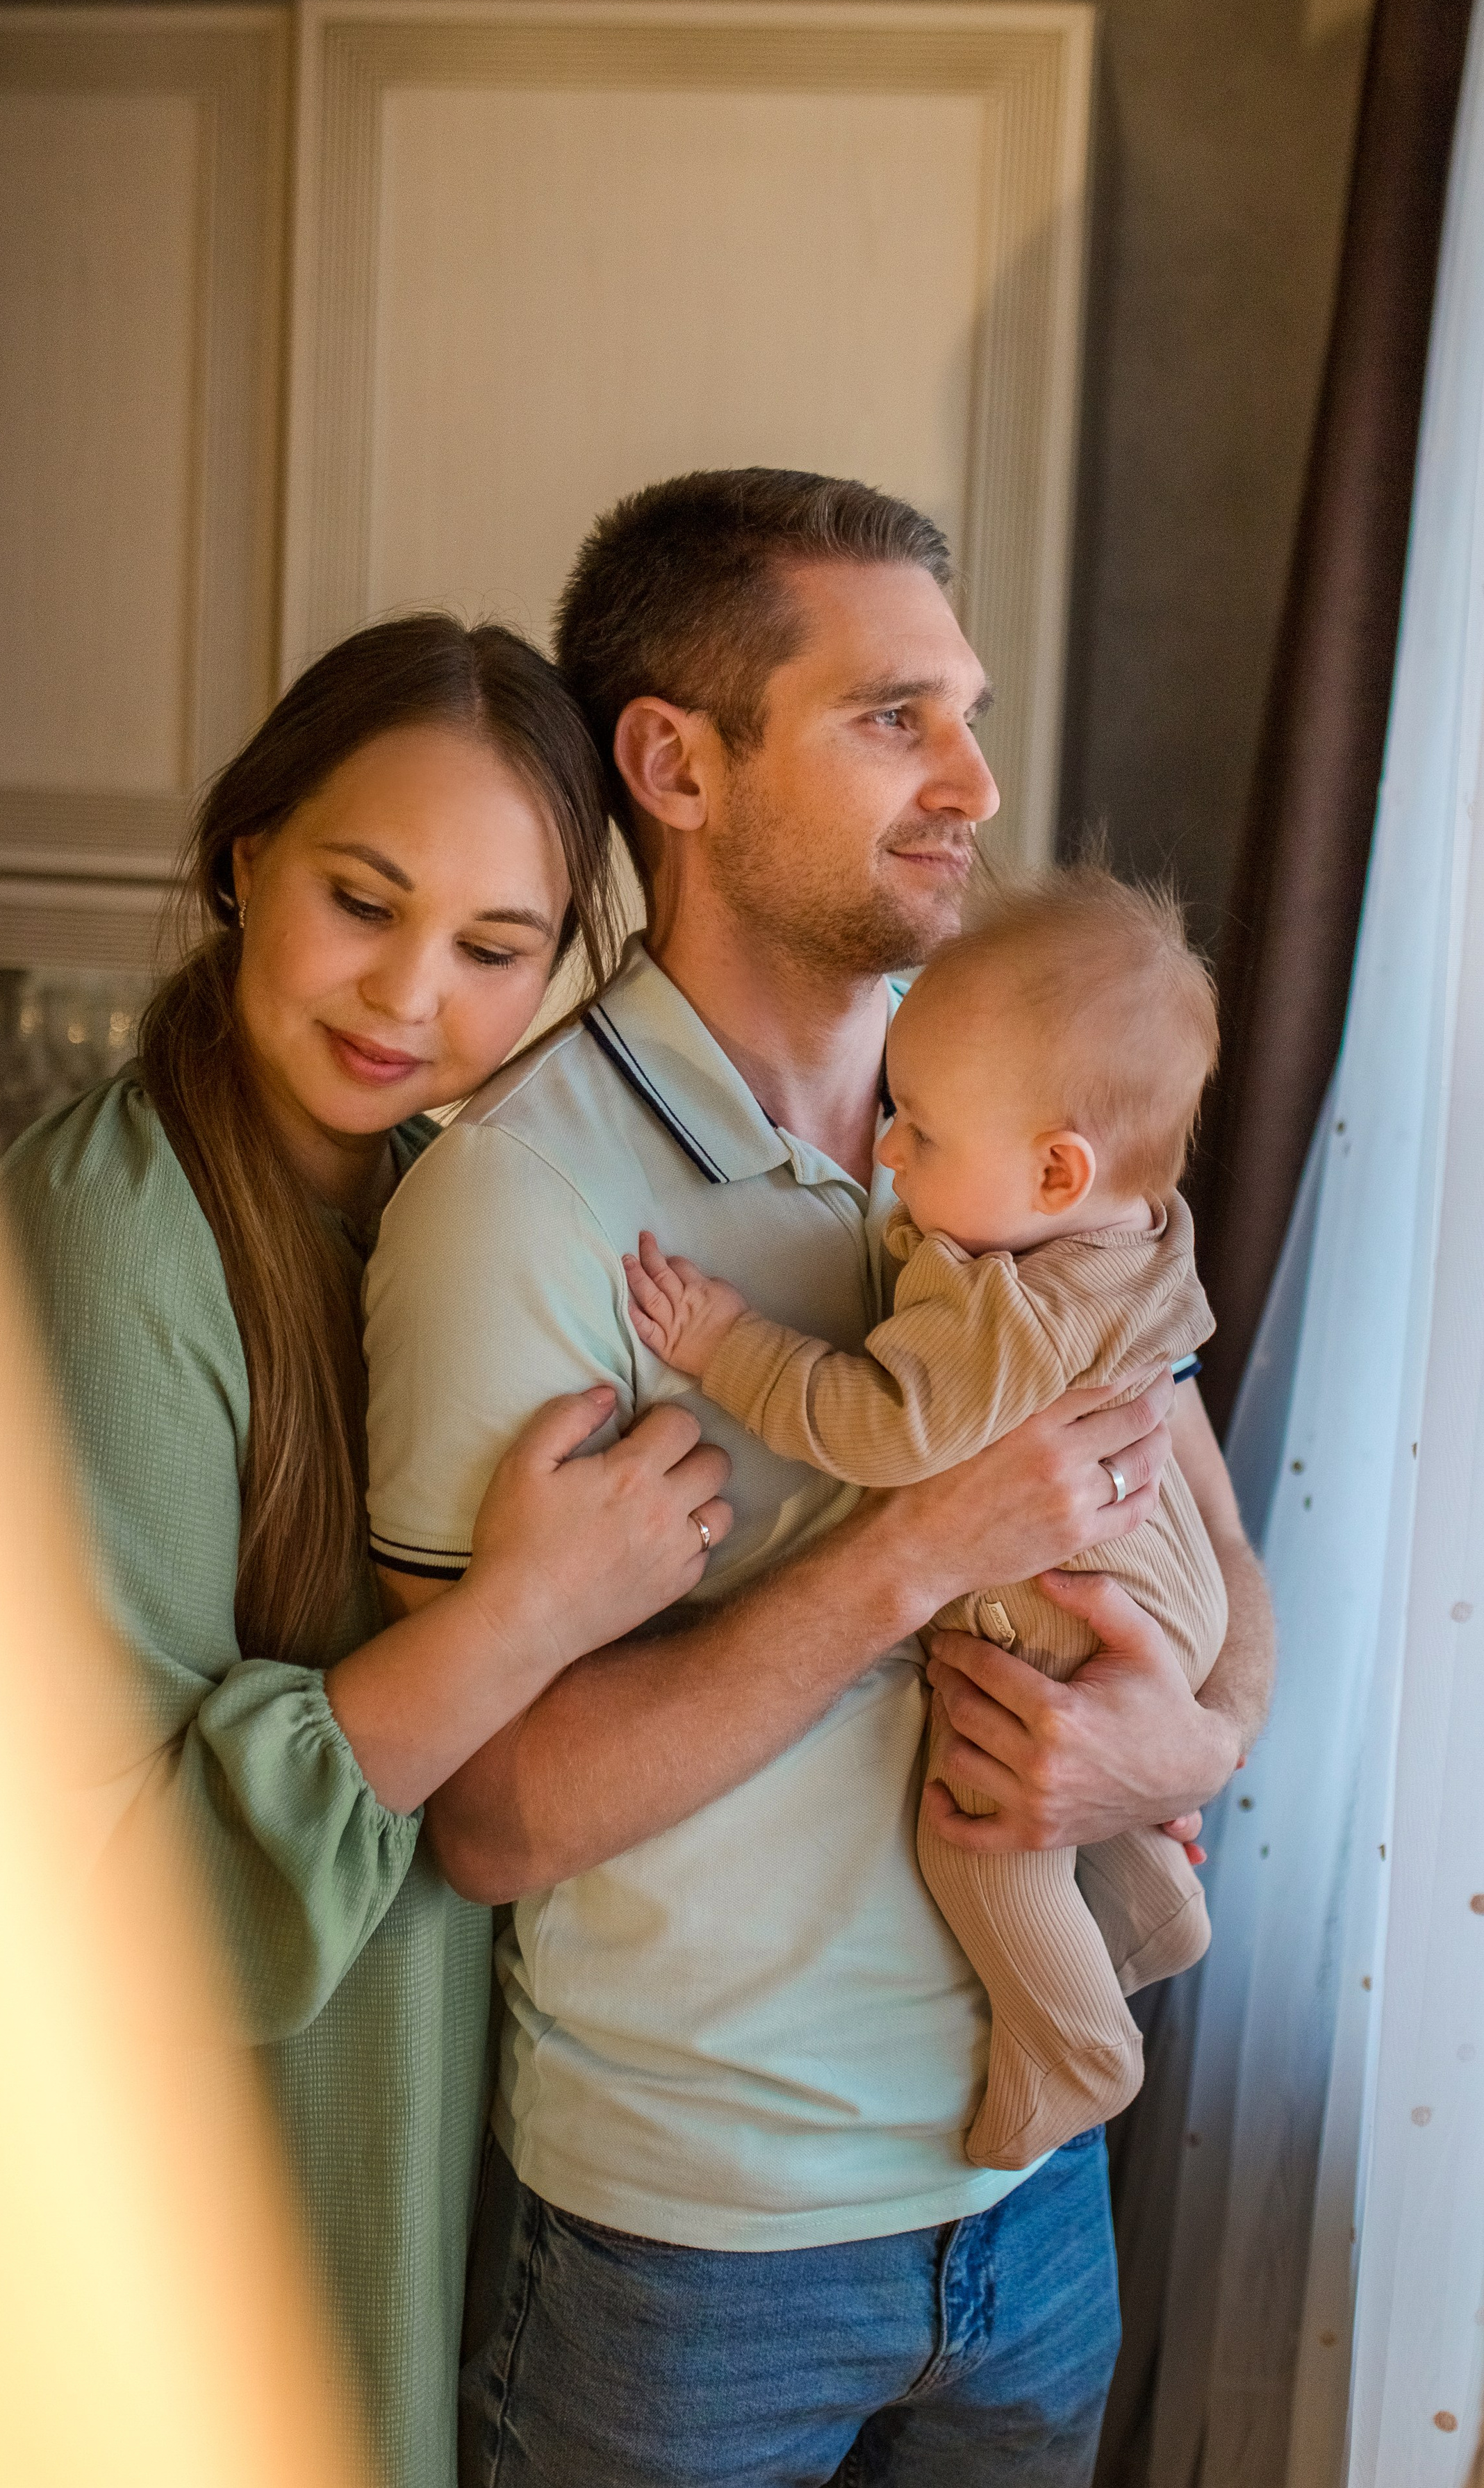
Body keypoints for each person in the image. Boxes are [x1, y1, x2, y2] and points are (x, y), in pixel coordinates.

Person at [365, 472, 1276, 2487]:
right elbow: (491, 1822)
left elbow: (1220, 1555)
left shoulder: (1027, 1112)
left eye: (962, 709)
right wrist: (916, 1550)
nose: (972, 774)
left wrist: (1177, 1757)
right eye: (894, 718)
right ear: (676, 765)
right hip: (698, 2261)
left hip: (1034, 2207)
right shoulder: (518, 1204)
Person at [0, 615, 734, 2488]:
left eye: (495, 949)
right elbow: (111, 1887)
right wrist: (536, 1609)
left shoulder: (450, 1211)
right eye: (362, 898)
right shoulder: (112, 1241)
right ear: (245, 856)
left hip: (425, 2164)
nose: (410, 992)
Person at [622, 860, 1226, 2179]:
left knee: (980, 1836)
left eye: (923, 1132)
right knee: (1059, 1787)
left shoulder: (1005, 1316)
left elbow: (872, 1423)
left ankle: (1077, 2048)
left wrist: (730, 1346)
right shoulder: (1140, 1229)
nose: (889, 1153)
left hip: (1064, 1597)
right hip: (1162, 1569)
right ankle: (1152, 1895)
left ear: (1058, 1167)